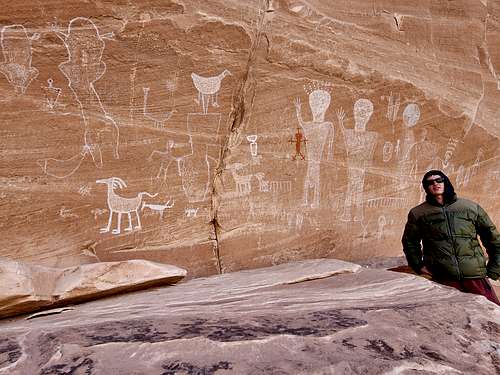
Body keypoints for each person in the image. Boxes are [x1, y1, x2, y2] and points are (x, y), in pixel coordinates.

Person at [402, 170, 500, 305]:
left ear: (445, 182)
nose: (435, 184)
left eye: (439, 180)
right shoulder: (418, 213)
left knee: (492, 318)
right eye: (429, 182)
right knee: (450, 321)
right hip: (443, 278)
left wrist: (494, 269)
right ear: (425, 187)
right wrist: (418, 265)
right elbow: (410, 242)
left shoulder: (469, 208)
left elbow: (494, 239)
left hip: (474, 276)